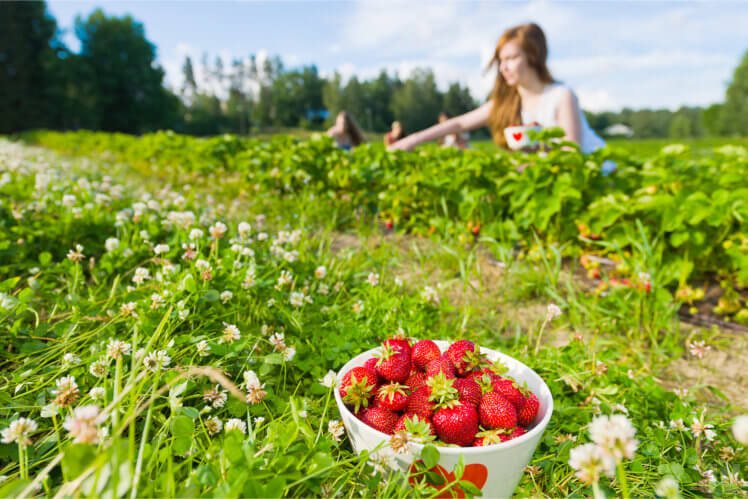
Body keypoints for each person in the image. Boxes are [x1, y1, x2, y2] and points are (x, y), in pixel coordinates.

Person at [389, 23, 606, 155]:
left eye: (511, 58)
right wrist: (412, 140)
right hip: (555, 177)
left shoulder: (560, 96)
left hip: (593, 174)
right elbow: (460, 122)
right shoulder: (510, 101)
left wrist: (536, 153)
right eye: (501, 60)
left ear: (533, 56)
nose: (503, 67)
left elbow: (572, 152)